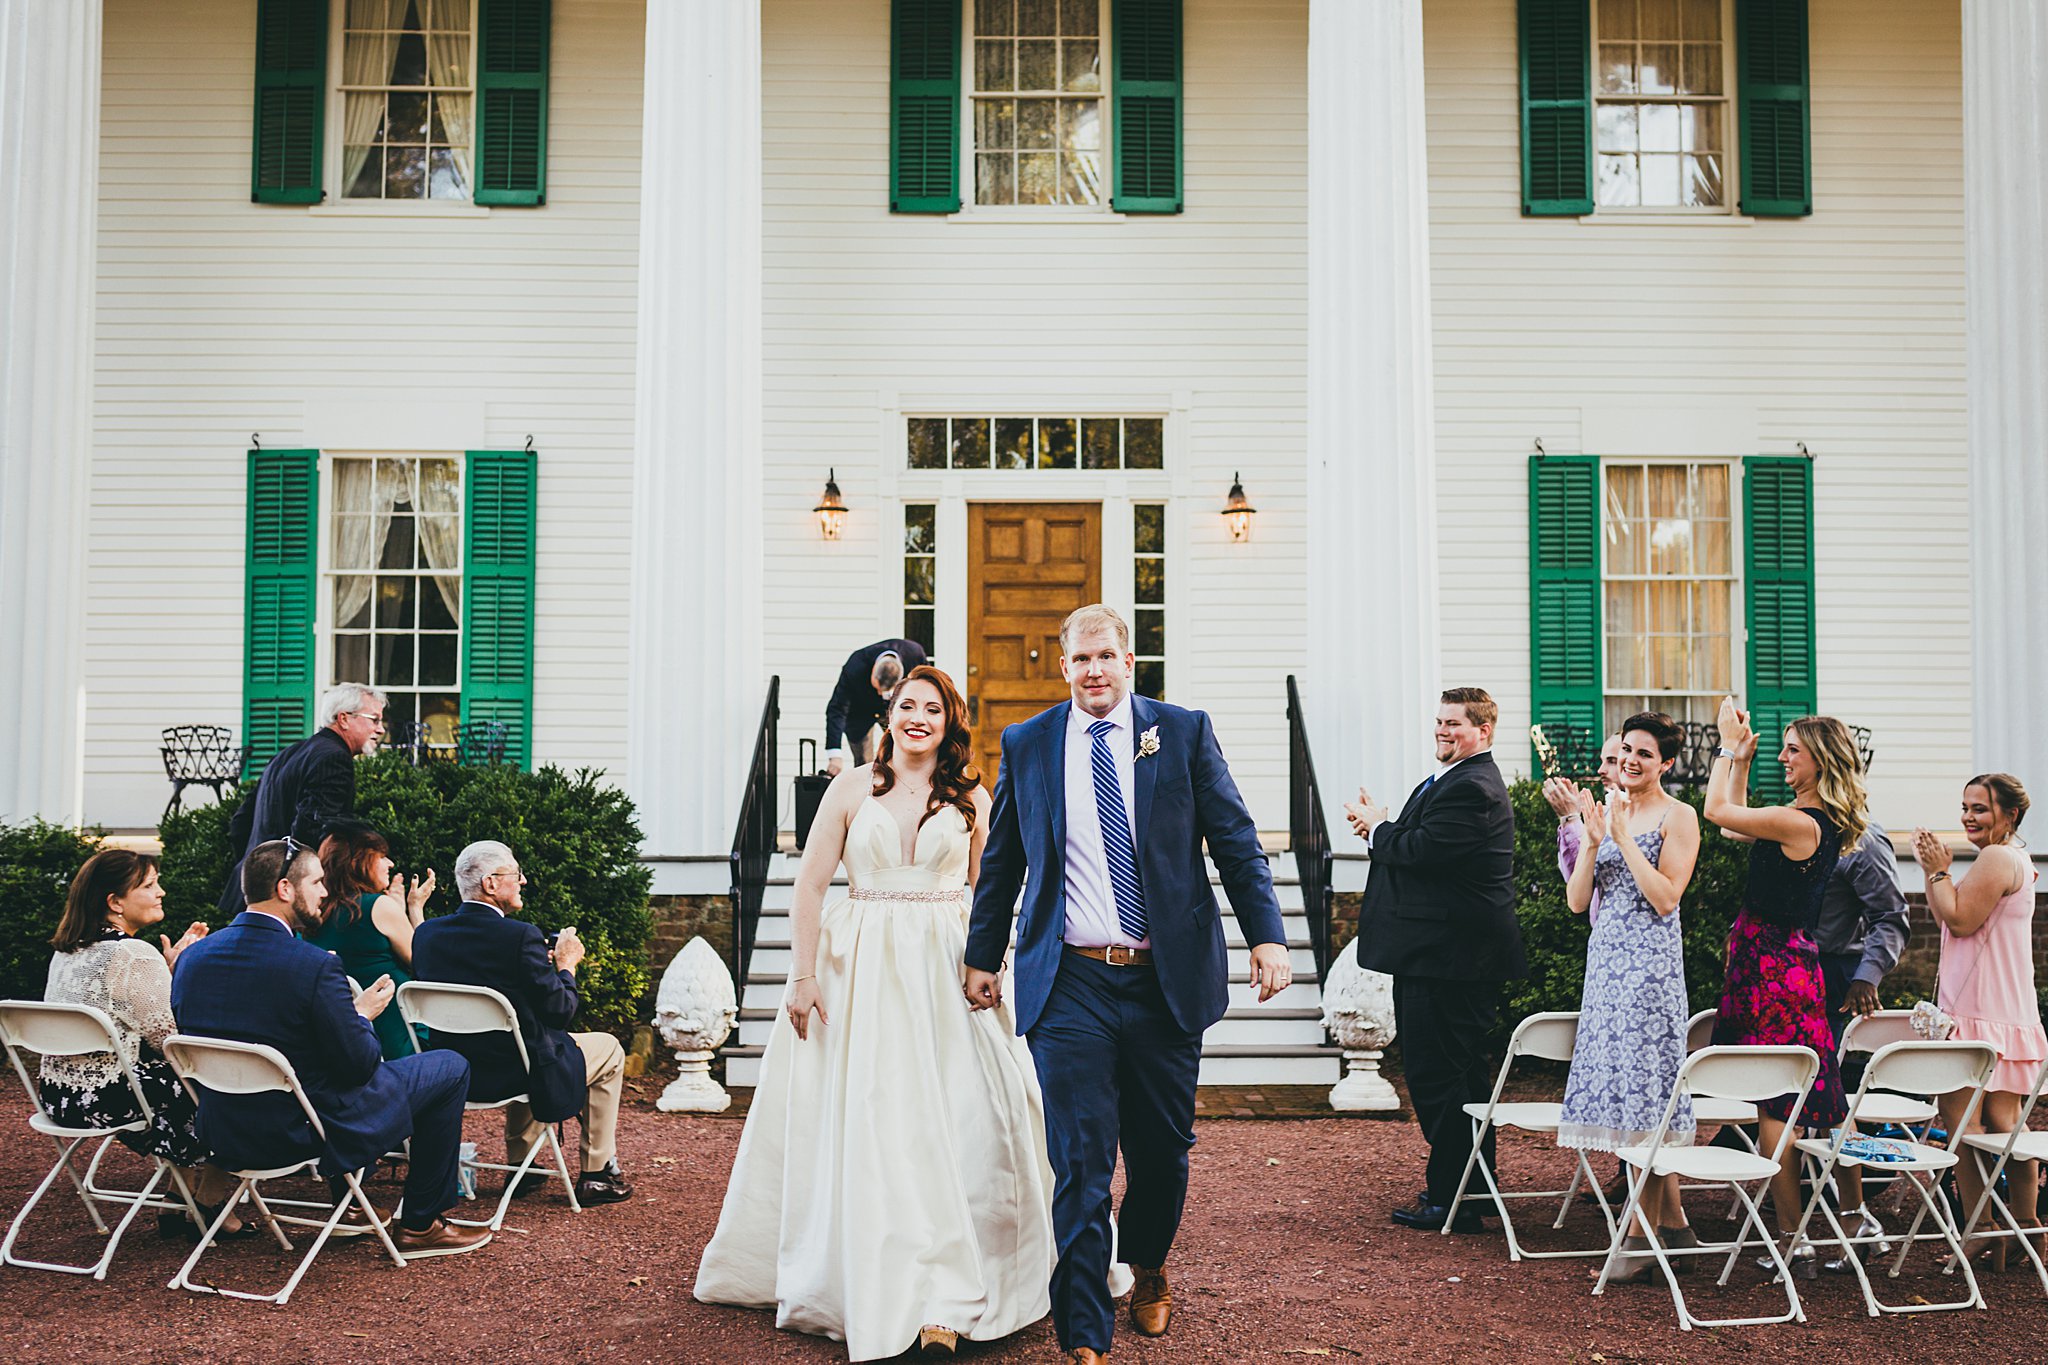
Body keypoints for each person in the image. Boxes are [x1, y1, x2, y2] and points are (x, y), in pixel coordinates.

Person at [697, 665, 1055, 1362]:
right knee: (875, 1117)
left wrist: (995, 962)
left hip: (949, 969)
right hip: (858, 968)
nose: (917, 717)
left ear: (950, 722)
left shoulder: (973, 794)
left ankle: (955, 1291)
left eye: (933, 708)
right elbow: (808, 884)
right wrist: (801, 974)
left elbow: (993, 887)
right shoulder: (850, 788)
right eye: (907, 705)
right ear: (888, 713)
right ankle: (875, 1276)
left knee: (965, 1116)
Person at [963, 605, 1290, 1365]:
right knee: (1079, 1159)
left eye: (1106, 655)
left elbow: (1238, 843)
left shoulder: (1181, 732)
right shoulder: (1030, 742)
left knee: (1162, 1152)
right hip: (1069, 980)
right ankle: (1084, 1335)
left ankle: (1148, 1262)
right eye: (1080, 659)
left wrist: (1267, 934)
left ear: (1130, 658)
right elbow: (1004, 861)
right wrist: (984, 953)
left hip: (1163, 981)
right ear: (1063, 665)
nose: (1093, 671)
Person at [170, 839, 488, 1257]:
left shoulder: (193, 959)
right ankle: (421, 1223)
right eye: (317, 883)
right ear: (285, 889)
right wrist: (360, 1016)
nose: (325, 892)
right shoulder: (313, 965)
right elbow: (359, 1066)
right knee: (449, 1066)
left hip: (223, 1128)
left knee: (332, 1075)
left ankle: (354, 1206)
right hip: (301, 1132)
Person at [1346, 688, 1523, 1234]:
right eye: (1440, 721)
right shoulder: (1459, 781)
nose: (1443, 731)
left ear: (1484, 731)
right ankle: (1469, 1191)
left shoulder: (1472, 788)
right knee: (1458, 1076)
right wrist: (1381, 829)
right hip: (1446, 957)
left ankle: (1455, 1197)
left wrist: (1378, 826)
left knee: (1439, 1076)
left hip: (1450, 960)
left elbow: (1422, 851)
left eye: (1455, 723)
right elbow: (1423, 845)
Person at [1701, 700, 1869, 1272]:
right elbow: (1731, 822)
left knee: (1779, 1100)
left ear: (1820, 762)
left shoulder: (1800, 822)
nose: (1783, 757)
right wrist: (1742, 761)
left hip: (1772, 968)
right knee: (1809, 1092)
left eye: (1792, 750)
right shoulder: (1808, 820)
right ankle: (1853, 1218)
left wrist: (1726, 745)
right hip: (1783, 963)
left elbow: (1713, 808)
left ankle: (1793, 1237)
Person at [1555, 713, 1703, 1280]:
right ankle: (1677, 1227)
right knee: (1625, 1093)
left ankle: (1638, 1237)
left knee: (1647, 1097)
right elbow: (1576, 902)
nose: (1631, 761)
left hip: (1649, 974)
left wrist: (1623, 839)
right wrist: (1594, 842)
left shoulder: (1678, 815)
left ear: (1666, 763)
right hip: (1606, 969)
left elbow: (1666, 897)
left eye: (1644, 753)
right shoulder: (1611, 809)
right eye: (1625, 750)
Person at [409, 841, 633, 1209]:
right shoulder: (521, 936)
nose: (524, 880)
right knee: (608, 1047)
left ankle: (522, 1166)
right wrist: (565, 964)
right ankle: (597, 1173)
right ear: (491, 884)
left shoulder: (428, 935)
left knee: (520, 1039)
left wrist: (535, 967)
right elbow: (560, 1011)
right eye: (516, 874)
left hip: (454, 1072)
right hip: (516, 1071)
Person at [39, 849, 245, 1238]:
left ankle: (177, 1201)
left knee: (177, 1083)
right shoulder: (132, 954)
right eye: (149, 886)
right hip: (109, 1098)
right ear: (115, 903)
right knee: (229, 1082)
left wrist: (167, 971)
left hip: (59, 1097)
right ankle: (210, 1204)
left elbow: (126, 1012)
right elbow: (173, 1043)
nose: (161, 892)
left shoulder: (67, 951)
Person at [1913, 773, 2045, 1264]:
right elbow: (1949, 914)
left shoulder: (1995, 857)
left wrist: (1937, 870)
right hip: (2004, 1010)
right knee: (2007, 1123)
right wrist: (1938, 874)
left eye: (1980, 808)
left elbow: (1961, 920)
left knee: (1964, 1126)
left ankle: (1984, 1225)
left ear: (2009, 815)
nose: (1968, 816)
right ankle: (2025, 1226)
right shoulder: (2013, 858)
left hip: (1980, 1014)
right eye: (1965, 806)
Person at [1813, 809, 1911, 1266]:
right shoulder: (1786, 822)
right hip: (1783, 974)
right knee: (1793, 1104)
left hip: (1832, 978)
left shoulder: (1862, 840)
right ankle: (1841, 1218)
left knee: (1828, 1103)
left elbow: (1891, 916)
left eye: (1794, 750)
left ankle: (1852, 1214)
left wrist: (1867, 976)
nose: (1783, 759)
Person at [218, 682, 386, 916]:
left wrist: (255, 871)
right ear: (344, 719)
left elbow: (240, 823)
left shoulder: (287, 754)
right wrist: (305, 888)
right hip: (284, 899)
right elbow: (314, 830)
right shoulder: (334, 758)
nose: (381, 729)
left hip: (249, 893)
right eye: (374, 719)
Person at [309, 821, 436, 1060]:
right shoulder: (377, 906)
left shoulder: (312, 916)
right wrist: (414, 909)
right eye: (382, 856)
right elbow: (426, 965)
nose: (390, 864)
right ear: (359, 861)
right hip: (400, 1045)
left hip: (341, 1045)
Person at [1544, 733, 1623, 924]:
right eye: (1602, 761)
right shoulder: (1602, 811)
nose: (1601, 770)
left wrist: (1571, 819)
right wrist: (1569, 818)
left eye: (1611, 761)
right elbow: (1578, 881)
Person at [824, 637, 929, 776]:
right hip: (860, 712)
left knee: (902, 756)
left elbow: (928, 689)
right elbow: (837, 709)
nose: (879, 693)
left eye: (884, 691)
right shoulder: (855, 666)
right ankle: (867, 792)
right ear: (873, 670)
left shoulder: (914, 655)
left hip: (894, 710)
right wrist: (834, 754)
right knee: (864, 764)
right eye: (877, 688)